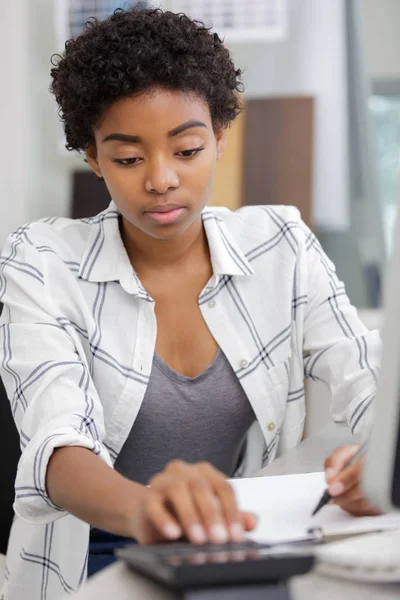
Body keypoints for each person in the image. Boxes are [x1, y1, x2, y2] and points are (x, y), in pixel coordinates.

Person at [0, 7, 381, 600]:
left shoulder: (280, 244)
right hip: (90, 555)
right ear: (94, 158)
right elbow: (57, 440)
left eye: (187, 149)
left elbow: (366, 371)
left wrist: (378, 461)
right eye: (127, 158)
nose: (160, 179)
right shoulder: (43, 260)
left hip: (225, 544)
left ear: (220, 137)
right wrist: (152, 513)